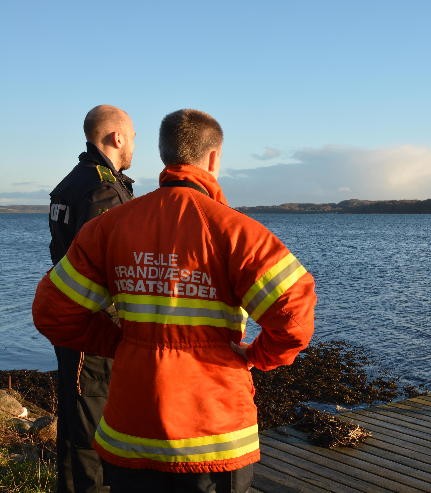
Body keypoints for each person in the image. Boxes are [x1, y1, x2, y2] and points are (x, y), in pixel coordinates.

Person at [33, 109, 316, 493]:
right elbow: (294, 317)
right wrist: (257, 357)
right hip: (214, 436)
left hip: (129, 431)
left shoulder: (109, 227)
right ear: (214, 157)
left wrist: (121, 343)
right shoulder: (238, 232)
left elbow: (53, 312)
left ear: (164, 154)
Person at [48, 104, 135, 493]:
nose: (134, 145)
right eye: (132, 136)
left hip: (72, 324)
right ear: (116, 137)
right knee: (92, 432)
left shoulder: (70, 183)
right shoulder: (102, 189)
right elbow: (108, 270)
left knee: (73, 421)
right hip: (94, 333)